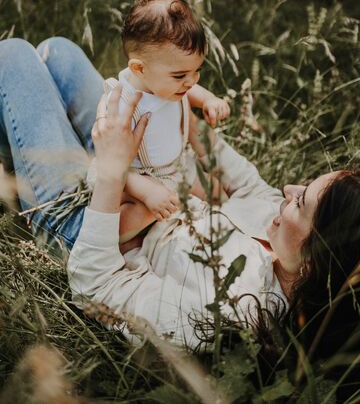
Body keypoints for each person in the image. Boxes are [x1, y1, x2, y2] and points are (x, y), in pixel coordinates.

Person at [67, 81, 360, 364]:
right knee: (69, 58)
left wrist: (112, 170)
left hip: (93, 223)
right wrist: (177, 106)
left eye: (301, 201)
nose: (288, 190)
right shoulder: (283, 238)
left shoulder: (226, 315)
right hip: (144, 172)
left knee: (21, 58)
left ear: (314, 262)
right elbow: (245, 183)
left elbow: (96, 287)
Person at [87, 0, 231, 244]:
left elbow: (191, 90)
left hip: (176, 167)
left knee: (217, 192)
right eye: (180, 76)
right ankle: (127, 241)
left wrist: (208, 99)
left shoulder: (167, 81)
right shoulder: (121, 106)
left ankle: (227, 229)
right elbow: (108, 165)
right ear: (139, 69)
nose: (191, 81)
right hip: (136, 178)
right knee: (137, 216)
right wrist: (146, 190)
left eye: (197, 71)